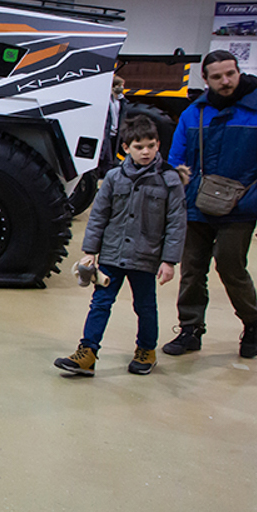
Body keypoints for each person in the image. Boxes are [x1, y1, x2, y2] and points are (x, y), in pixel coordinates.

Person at [162, 49, 257, 359]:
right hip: (195, 203)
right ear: (205, 79)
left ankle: (253, 321)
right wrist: (169, 201)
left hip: (241, 204)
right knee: (192, 269)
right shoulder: (193, 113)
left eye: (230, 73)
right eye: (217, 76)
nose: (225, 81)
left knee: (231, 266)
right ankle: (190, 329)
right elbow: (175, 162)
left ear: (239, 72)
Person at [55, 116, 187, 377]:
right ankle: (87, 353)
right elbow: (99, 216)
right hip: (112, 256)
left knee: (145, 306)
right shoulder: (114, 177)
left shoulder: (169, 180)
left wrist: (169, 261)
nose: (146, 151)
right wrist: (90, 251)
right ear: (126, 148)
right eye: (139, 147)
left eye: (151, 145)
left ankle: (146, 350)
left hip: (147, 258)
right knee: (100, 303)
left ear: (159, 144)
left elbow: (176, 223)